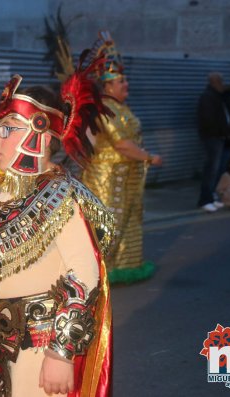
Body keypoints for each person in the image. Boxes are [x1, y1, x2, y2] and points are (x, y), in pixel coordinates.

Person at [0, 62, 114, 397]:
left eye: (8, 128)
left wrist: (61, 351)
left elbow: (85, 274)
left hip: (41, 349)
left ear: (39, 134)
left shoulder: (62, 197)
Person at [80, 31, 162, 284]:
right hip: (108, 178)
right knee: (108, 221)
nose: (126, 85)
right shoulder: (105, 109)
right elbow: (123, 145)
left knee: (127, 219)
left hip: (124, 177)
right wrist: (148, 157)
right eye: (121, 81)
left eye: (125, 80)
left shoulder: (119, 107)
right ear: (107, 86)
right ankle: (95, 269)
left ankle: (124, 265)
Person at [196, 72, 230, 212]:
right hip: (212, 138)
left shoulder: (215, 96)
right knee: (211, 169)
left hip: (218, 137)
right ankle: (205, 199)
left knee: (216, 169)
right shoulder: (208, 97)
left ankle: (210, 196)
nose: (222, 83)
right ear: (213, 82)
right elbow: (208, 119)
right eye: (220, 81)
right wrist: (219, 132)